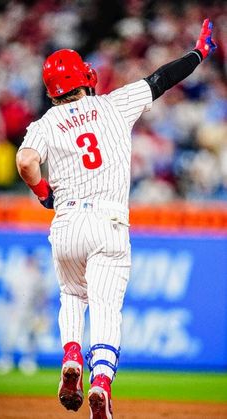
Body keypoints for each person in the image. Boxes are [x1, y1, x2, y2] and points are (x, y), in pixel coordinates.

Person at [16, 19, 216, 419]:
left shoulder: (45, 123)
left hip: (67, 221)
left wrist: (43, 194)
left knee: (72, 295)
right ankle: (102, 382)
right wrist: (198, 53)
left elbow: (25, 161)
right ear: (83, 78)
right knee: (106, 307)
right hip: (108, 223)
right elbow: (161, 79)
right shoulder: (113, 104)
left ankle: (71, 356)